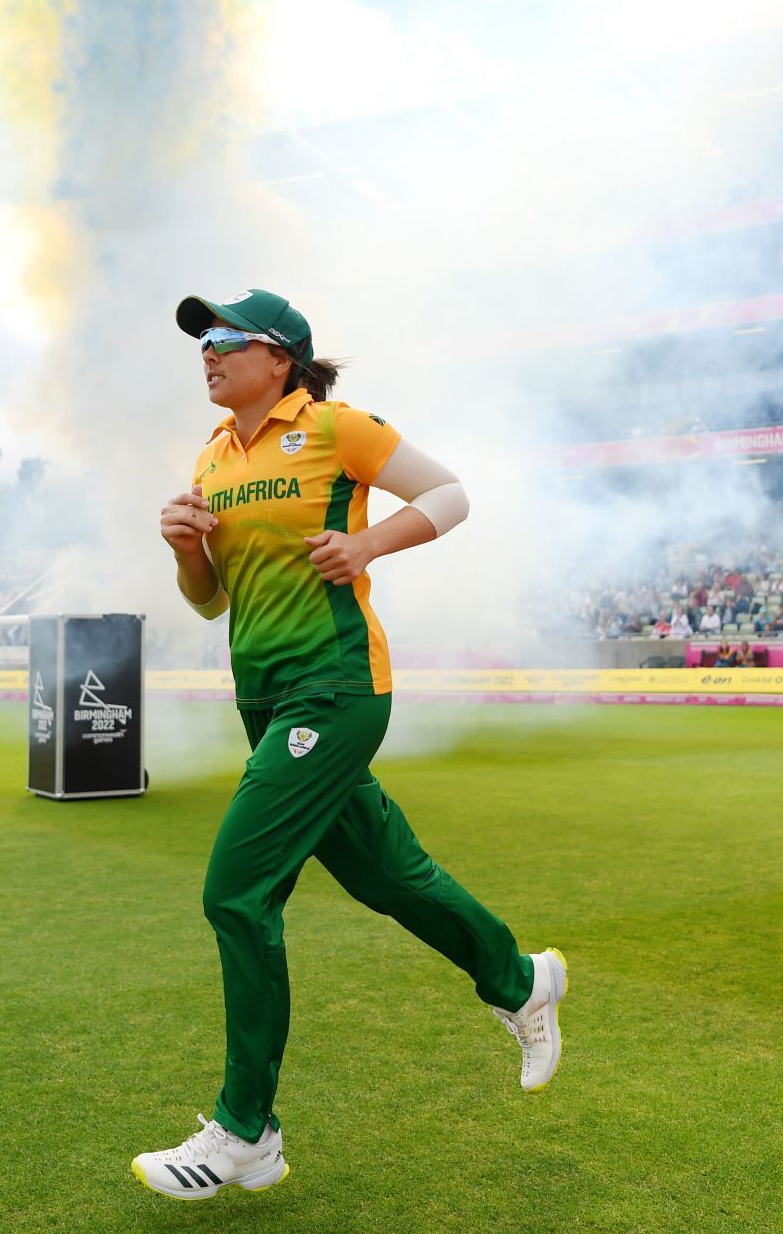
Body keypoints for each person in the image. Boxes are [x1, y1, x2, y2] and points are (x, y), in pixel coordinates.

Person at [139, 288, 565, 1201]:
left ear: (280, 357)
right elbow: (211, 601)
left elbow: (449, 493)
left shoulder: (337, 428)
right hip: (262, 696)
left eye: (223, 339)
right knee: (384, 875)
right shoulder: (213, 455)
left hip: (335, 688)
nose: (205, 353)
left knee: (238, 893)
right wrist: (185, 548)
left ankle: (244, 1133)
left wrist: (368, 543)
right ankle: (521, 979)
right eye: (200, 342)